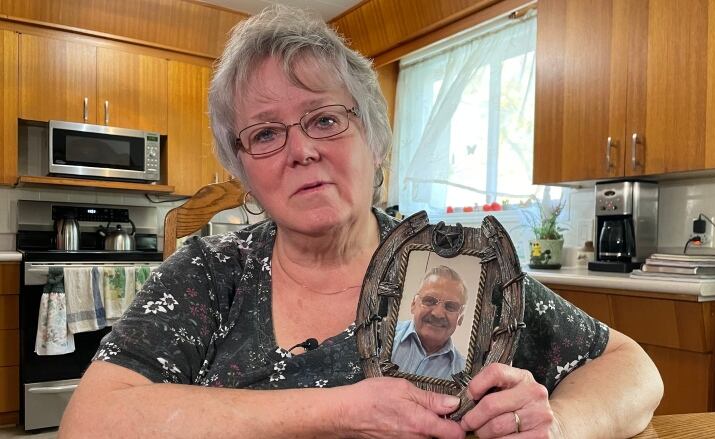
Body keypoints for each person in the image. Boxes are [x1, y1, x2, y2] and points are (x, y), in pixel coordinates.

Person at [60, 5, 663, 438]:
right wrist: (345, 410)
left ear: (375, 140)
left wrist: (560, 426)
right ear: (242, 171)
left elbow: (632, 369)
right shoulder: (211, 272)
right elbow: (91, 423)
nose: (302, 150)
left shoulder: (453, 268)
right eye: (266, 133)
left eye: (325, 119)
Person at [392, 265, 467, 379]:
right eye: (429, 301)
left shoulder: (464, 373)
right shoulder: (379, 338)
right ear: (413, 304)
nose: (438, 313)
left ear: (460, 318)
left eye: (451, 306)